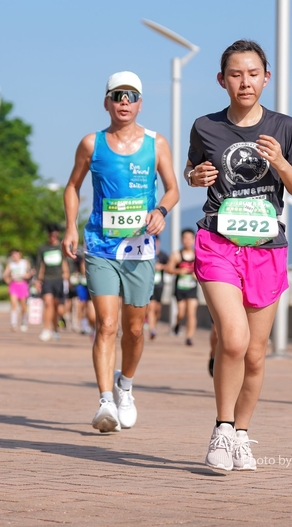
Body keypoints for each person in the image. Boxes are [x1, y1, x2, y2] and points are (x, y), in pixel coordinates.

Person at [183, 40, 292, 471]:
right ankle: (221, 429)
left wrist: (281, 164)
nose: (245, 82)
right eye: (236, 74)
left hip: (266, 247)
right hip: (218, 242)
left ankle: (241, 434)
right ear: (222, 80)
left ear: (266, 78)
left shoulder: (284, 127)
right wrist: (195, 176)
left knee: (255, 354)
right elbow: (192, 170)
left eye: (253, 73)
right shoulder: (205, 126)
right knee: (234, 339)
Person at [62, 71, 179, 434]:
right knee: (107, 325)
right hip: (100, 245)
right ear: (106, 103)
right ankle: (105, 402)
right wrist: (71, 227)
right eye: (117, 96)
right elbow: (72, 186)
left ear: (140, 103)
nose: (124, 101)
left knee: (135, 329)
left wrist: (160, 211)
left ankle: (124, 385)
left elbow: (173, 189)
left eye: (131, 96)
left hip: (140, 248)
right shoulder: (91, 143)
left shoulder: (156, 143)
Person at [36, 224, 70, 342]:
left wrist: (67, 276)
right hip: (47, 279)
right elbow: (40, 264)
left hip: (59, 279)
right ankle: (46, 329)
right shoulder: (42, 248)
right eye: (51, 235)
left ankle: (55, 329)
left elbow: (65, 262)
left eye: (55, 234)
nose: (53, 237)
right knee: (48, 303)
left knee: (56, 307)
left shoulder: (61, 247)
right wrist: (38, 280)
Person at [166, 228, 199, 346]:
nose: (188, 241)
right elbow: (168, 269)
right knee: (181, 313)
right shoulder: (176, 255)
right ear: (182, 240)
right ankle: (178, 324)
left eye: (190, 238)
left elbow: (205, 269)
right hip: (180, 288)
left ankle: (189, 337)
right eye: (185, 238)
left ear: (194, 240)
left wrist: (197, 275)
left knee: (191, 313)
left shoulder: (198, 255)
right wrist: (180, 271)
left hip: (192, 288)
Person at [3, 249, 32, 331]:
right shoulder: (10, 264)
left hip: (22, 285)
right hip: (13, 285)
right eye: (13, 255)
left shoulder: (24, 262)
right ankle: (14, 324)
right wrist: (8, 280)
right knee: (13, 304)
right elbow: (5, 274)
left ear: (20, 254)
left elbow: (29, 273)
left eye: (15, 254)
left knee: (23, 306)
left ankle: (24, 321)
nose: (14, 256)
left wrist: (26, 275)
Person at [146, 236, 169, 340]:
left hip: (159, 285)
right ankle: (152, 329)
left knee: (157, 309)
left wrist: (162, 267)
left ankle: (154, 325)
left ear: (158, 242)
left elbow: (170, 267)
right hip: (148, 285)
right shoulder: (146, 254)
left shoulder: (163, 255)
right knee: (151, 307)